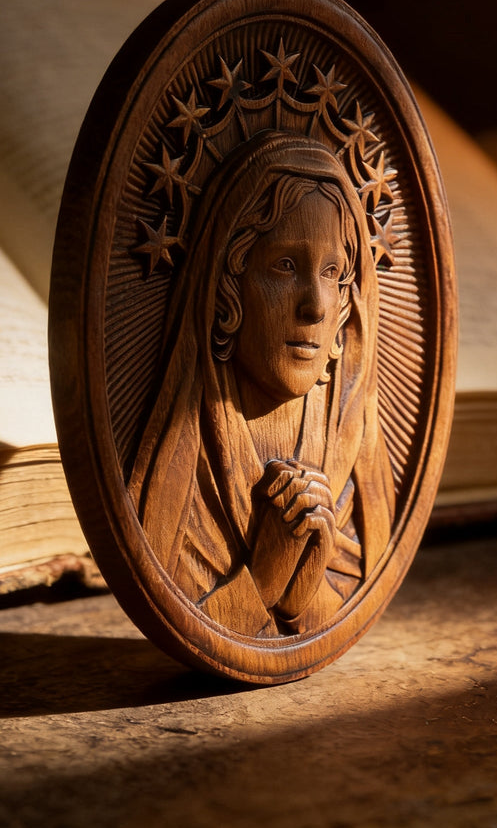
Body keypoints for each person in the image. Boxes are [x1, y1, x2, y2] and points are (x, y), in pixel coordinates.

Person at [128, 130, 396, 637]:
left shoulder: (354, 458)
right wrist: (264, 580)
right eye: (285, 266)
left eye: (333, 272)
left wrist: (302, 593)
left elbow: (343, 601)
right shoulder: (182, 472)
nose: (315, 306)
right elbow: (185, 612)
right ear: (228, 287)